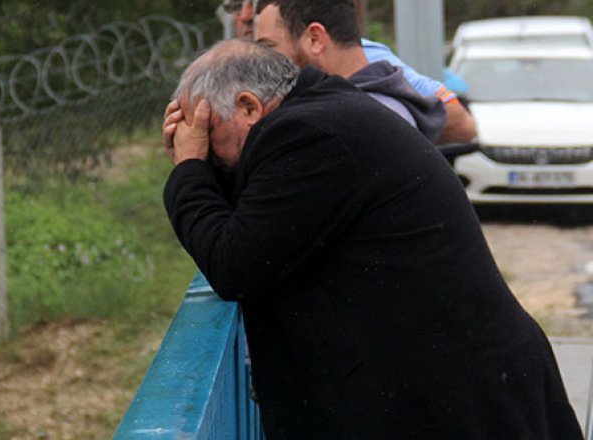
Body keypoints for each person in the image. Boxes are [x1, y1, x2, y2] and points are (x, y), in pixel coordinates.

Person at [161, 39, 582, 439]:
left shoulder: (307, 136)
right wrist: (203, 169)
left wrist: (189, 172)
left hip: (464, 402)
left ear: (249, 106)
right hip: (462, 389)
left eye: (208, 135)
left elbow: (235, 263)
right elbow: (258, 216)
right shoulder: (323, 113)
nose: (206, 151)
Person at [255, 0, 476, 144]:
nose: (243, 15)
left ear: (315, 38)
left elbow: (463, 125)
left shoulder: (373, 59)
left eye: (267, 47)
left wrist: (385, 128)